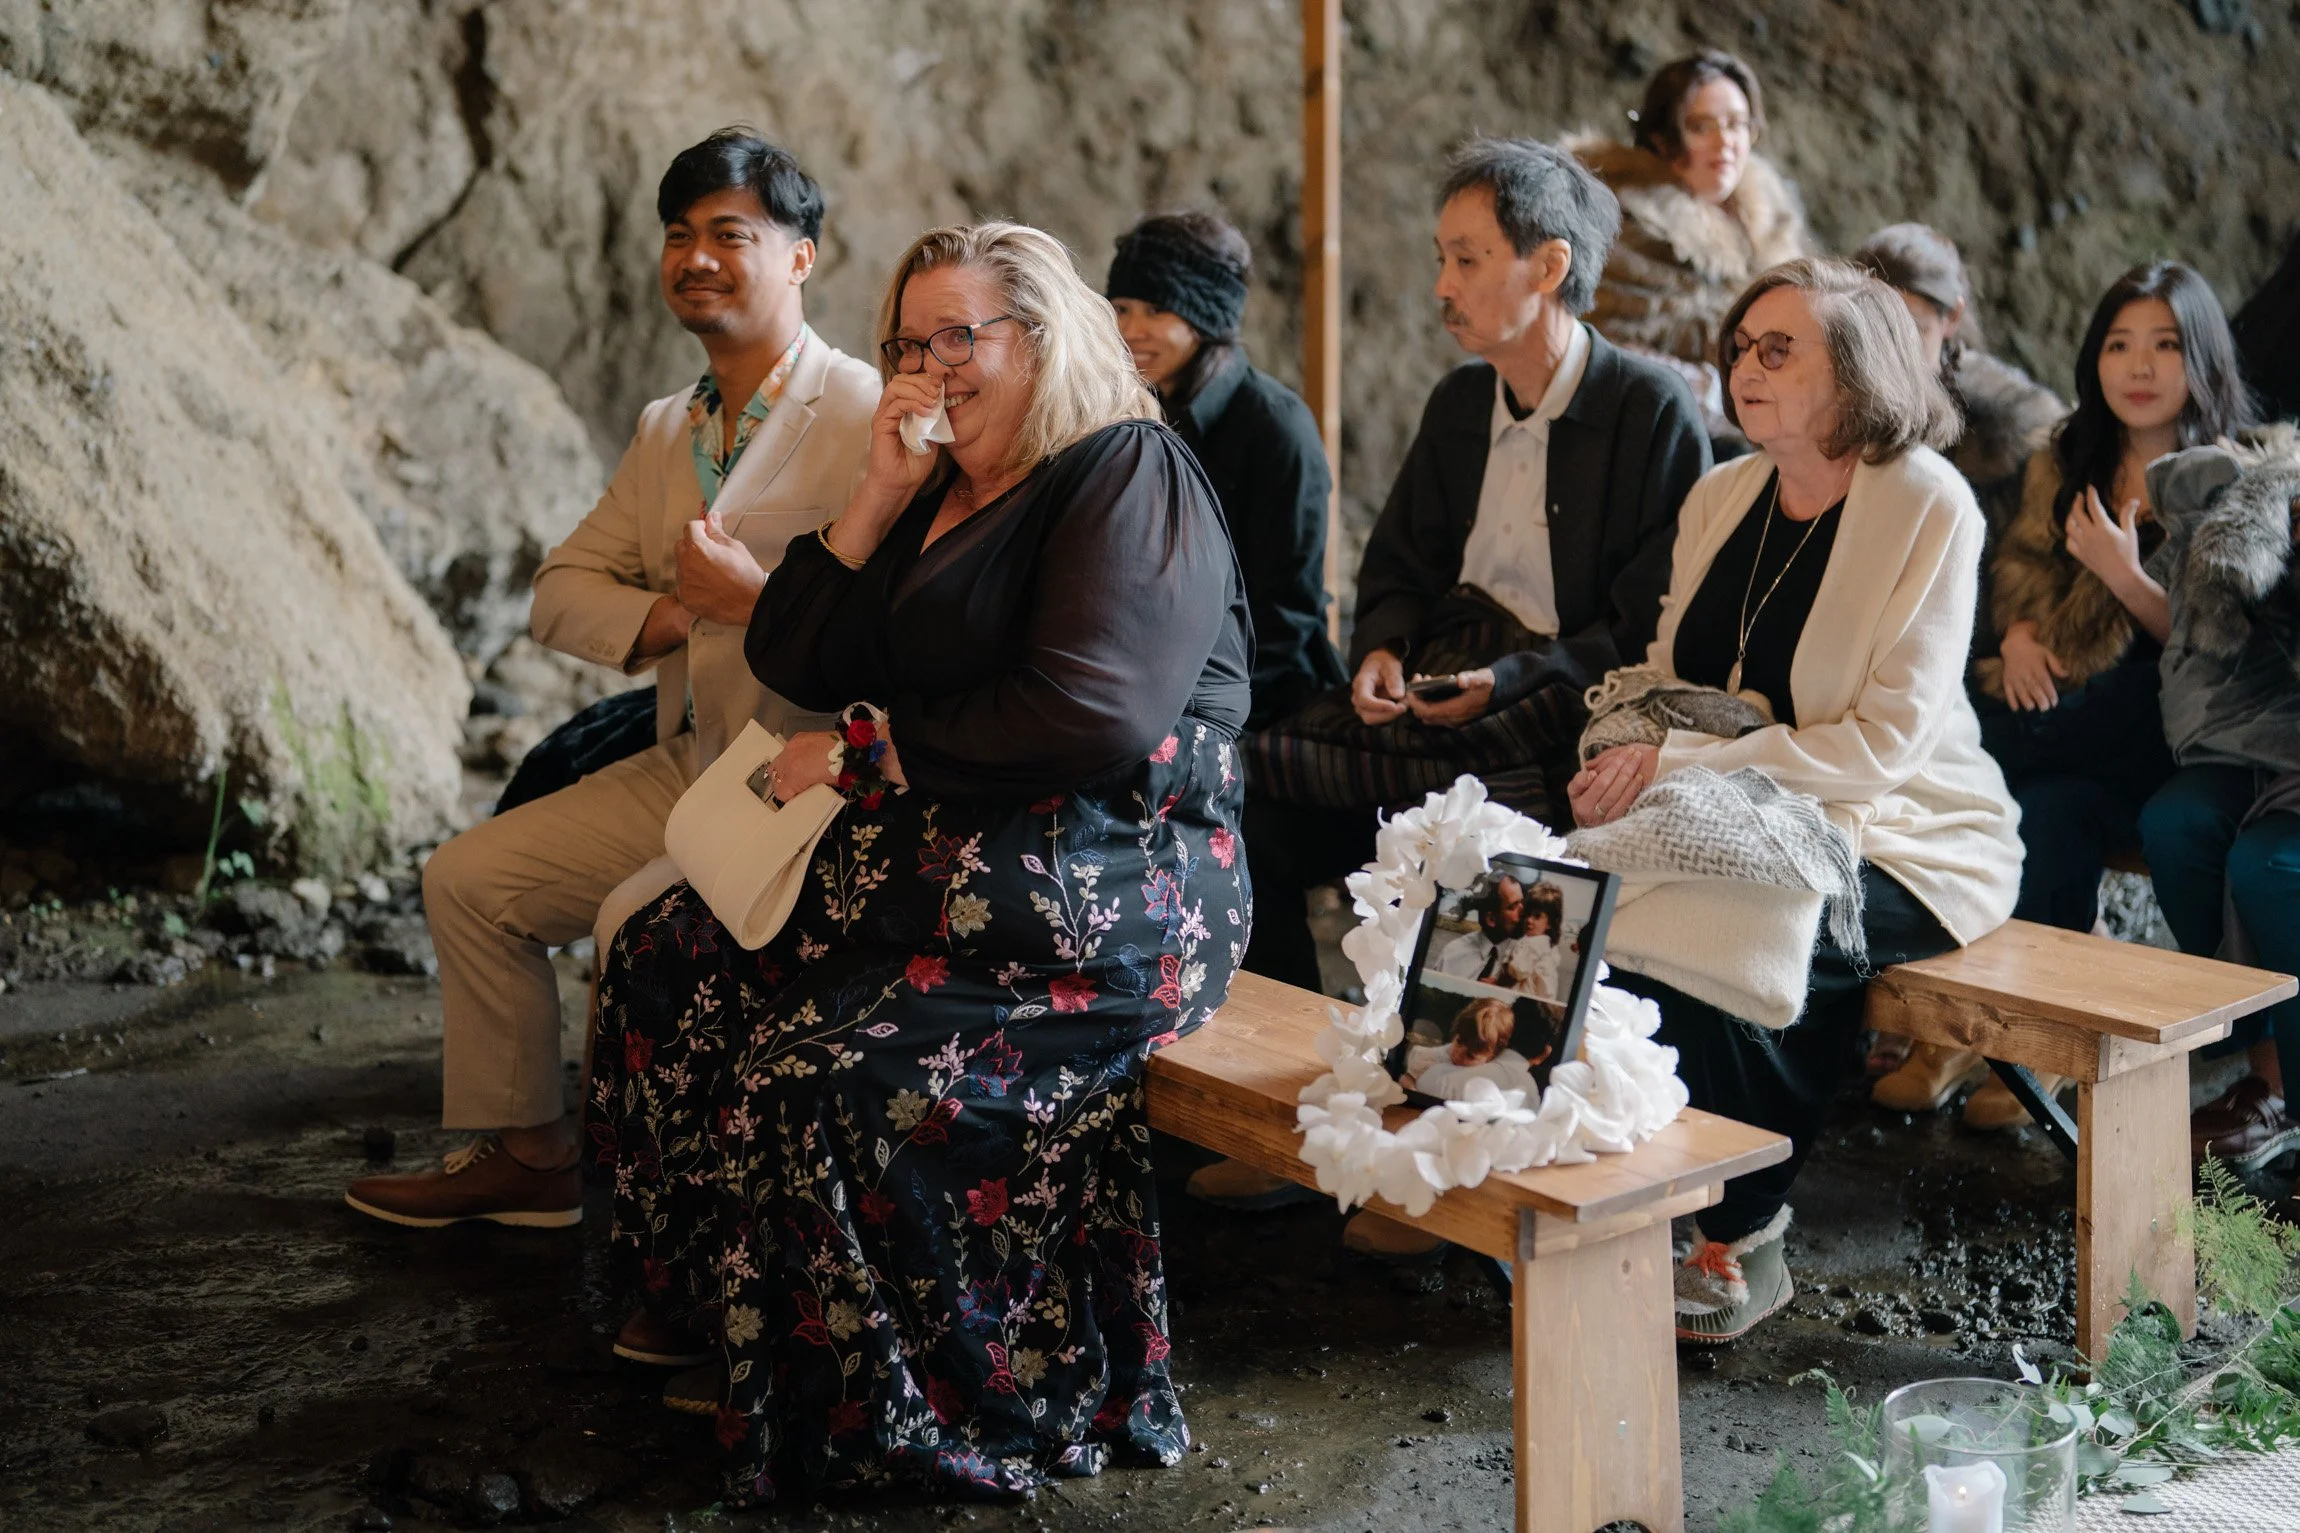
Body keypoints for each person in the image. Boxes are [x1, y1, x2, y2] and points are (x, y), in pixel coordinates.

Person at [585, 221, 1252, 1501]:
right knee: (668, 955)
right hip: (950, 857)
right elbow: (796, 654)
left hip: (1109, 873)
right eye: (905, 343)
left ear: (1038, 340)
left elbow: (1093, 712)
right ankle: (725, 1319)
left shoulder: (1123, 468)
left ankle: (882, 1394)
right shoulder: (936, 487)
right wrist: (878, 496)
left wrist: (871, 752)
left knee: (813, 1076)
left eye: (958, 337)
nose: (926, 368)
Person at [344, 131, 877, 1232]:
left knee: (635, 930)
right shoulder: (667, 428)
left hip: (812, 776)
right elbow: (559, 591)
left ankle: (672, 1233)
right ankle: (532, 1155)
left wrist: (759, 600)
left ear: (801, 258)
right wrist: (673, 615)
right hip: (695, 759)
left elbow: (912, 626)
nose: (697, 257)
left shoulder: (867, 418)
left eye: (730, 234)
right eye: (679, 235)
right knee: (467, 880)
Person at [1203, 136, 1707, 1227]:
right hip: (1444, 685)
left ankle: (1450, 1167)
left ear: (1549, 266)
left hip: (1556, 708)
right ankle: (1290, 1112)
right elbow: (1396, 569)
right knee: (1245, 777)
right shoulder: (1457, 402)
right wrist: (1382, 652)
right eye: (1442, 257)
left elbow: (1642, 629)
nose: (1442, 285)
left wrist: (1508, 676)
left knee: (1493, 849)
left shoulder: (1650, 411)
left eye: (1467, 259)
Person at [1570, 258, 2020, 1342]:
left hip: (1909, 827)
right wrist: (1627, 750)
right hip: (1729, 802)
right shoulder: (1721, 493)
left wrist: (1675, 765)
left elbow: (1884, 745)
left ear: (1857, 370)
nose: (1746, 367)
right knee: (1593, 895)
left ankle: (1743, 1229)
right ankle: (1650, 1188)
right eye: (1740, 347)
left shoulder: (1927, 503)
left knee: (1747, 918)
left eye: (1779, 349)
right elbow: (1668, 677)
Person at [1874, 263, 2255, 1128]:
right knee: (2045, 810)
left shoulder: (2229, 475)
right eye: (2119, 344)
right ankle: (2022, 1044)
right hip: (2070, 727)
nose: (2140, 366)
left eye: (2165, 345)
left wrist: (2125, 577)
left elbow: (2223, 646)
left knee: (2024, 738)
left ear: (2203, 357)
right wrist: (2014, 636)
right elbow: (2015, 568)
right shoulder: (2067, 458)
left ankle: (1959, 762)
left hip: (2174, 725)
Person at [1107, 211, 1347, 727]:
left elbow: (1285, 615)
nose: (1130, 331)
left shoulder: (1276, 427)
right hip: (1154, 689)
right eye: (1121, 308)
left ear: (1205, 318)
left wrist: (1193, 711)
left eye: (1156, 310)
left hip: (1262, 700)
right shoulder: (1127, 416)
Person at [2142, 431, 2299, 1179]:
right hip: (2269, 738)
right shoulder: (2270, 480)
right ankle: (2265, 1069)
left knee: (2270, 867)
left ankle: (2286, 1089)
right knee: (2177, 824)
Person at [1570, 50, 1812, 439]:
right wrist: (1737, 401)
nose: (1725, 141)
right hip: (1663, 442)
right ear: (1662, 139)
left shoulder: (1774, 222)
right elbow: (1609, 357)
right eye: (1701, 126)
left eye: (1737, 124)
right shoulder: (1624, 228)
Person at [1852, 223, 2064, 530]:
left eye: (1913, 330)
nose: (1892, 350)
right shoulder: (1829, 389)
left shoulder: (2002, 414)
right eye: (1874, 328)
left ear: (1951, 317)